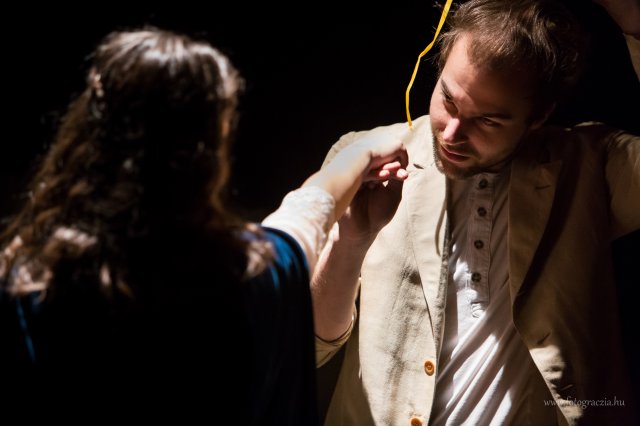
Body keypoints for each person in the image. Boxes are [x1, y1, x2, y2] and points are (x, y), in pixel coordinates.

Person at [0, 27, 408, 422]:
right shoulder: (250, 275)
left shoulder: (29, 276)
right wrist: (361, 154)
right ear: (206, 156)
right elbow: (309, 211)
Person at [312, 0, 640, 425]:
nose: (452, 133)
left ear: (539, 115)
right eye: (448, 100)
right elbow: (307, 348)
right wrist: (351, 241)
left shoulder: (590, 167)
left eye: (487, 121)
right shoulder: (362, 157)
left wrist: (633, 18)